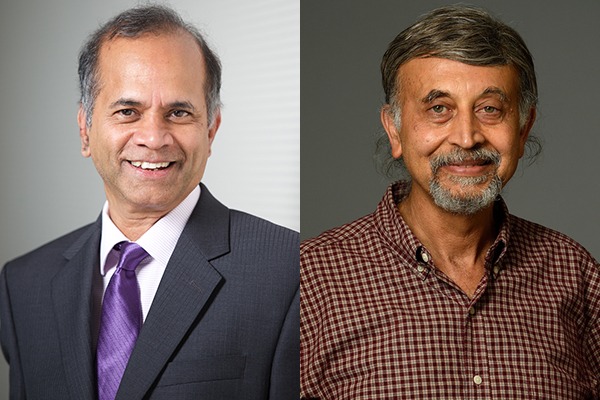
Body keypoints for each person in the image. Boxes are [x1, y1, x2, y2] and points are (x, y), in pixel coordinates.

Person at [300, 5, 599, 399]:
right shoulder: (309, 281)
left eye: (489, 109)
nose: (466, 137)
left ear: (523, 128)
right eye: (438, 109)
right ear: (395, 128)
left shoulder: (573, 273)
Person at [0, 5, 298, 400]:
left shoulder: (288, 272)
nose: (154, 138)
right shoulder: (23, 286)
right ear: (85, 131)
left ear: (211, 131)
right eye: (128, 111)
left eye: (178, 112)